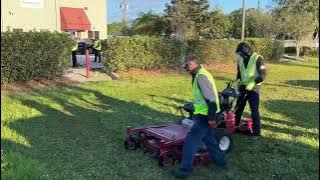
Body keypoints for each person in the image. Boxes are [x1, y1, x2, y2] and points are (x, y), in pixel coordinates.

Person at [171, 55, 227, 179]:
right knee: (209, 140)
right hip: (204, 114)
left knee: (191, 141)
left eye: (186, 65)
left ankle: (185, 170)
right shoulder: (199, 74)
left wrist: (211, 118)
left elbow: (211, 99)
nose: (185, 68)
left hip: (206, 116)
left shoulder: (201, 76)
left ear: (192, 65)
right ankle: (222, 162)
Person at [234, 42, 266, 140]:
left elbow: (262, 75)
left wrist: (253, 83)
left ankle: (256, 133)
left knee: (254, 110)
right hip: (243, 87)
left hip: (253, 88)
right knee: (238, 108)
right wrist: (238, 79)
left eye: (241, 54)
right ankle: (234, 126)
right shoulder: (240, 59)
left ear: (246, 52)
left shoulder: (258, 59)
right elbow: (239, 71)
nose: (240, 56)